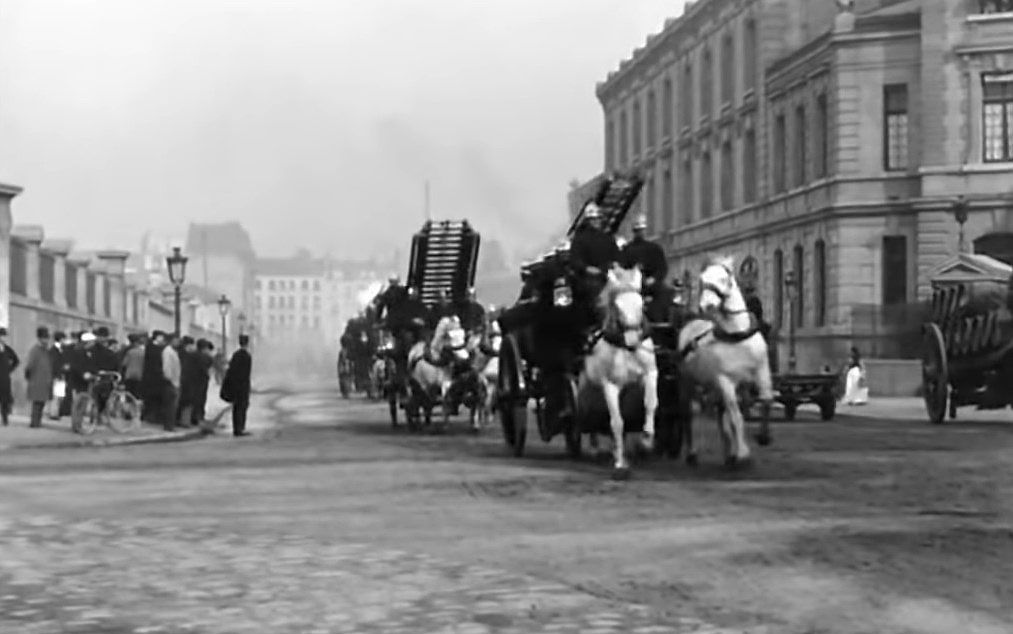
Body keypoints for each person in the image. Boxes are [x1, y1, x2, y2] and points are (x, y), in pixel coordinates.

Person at [568, 202, 620, 340]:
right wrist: (587, 269)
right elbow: (575, 260)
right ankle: (596, 328)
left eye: (598, 219)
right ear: (588, 220)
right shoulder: (579, 239)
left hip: (609, 275)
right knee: (594, 295)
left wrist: (614, 266)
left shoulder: (607, 238)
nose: (596, 221)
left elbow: (616, 256)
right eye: (593, 219)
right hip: (589, 279)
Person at [620, 214, 668, 296]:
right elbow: (622, 268)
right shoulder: (626, 249)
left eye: (641, 230)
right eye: (637, 231)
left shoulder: (655, 248)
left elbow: (662, 268)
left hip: (651, 286)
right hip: (632, 286)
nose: (640, 233)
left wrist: (653, 279)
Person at [67, 332, 99, 433]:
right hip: (77, 381)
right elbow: (76, 366)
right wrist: (84, 374)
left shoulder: (88, 352)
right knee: (78, 404)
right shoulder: (77, 352)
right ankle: (76, 425)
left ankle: (78, 424)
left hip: (85, 381)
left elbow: (91, 365)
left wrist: (94, 373)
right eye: (92, 342)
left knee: (82, 404)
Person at [221, 334, 252, 437]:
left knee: (236, 407)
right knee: (242, 407)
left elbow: (231, 370)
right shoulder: (247, 356)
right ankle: (240, 428)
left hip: (235, 385)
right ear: (247, 343)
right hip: (243, 386)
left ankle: (236, 428)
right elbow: (246, 373)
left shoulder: (235, 355)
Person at [25, 327, 54, 429]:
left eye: (47, 338)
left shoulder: (46, 350)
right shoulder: (35, 350)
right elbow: (30, 365)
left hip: (44, 381)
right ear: (40, 339)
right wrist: (29, 376)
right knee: (37, 403)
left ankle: (37, 422)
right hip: (37, 380)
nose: (46, 340)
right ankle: (34, 423)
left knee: (41, 403)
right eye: (44, 338)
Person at [141, 331, 167, 423]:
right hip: (151, 376)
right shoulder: (151, 347)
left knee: (157, 398)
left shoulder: (162, 348)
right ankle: (149, 416)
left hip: (158, 377)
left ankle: (154, 416)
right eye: (161, 337)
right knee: (150, 398)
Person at [48, 331, 72, 420]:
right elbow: (54, 364)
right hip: (57, 375)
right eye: (63, 339)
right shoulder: (53, 350)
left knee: (59, 395)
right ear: (60, 339)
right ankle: (53, 413)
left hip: (62, 375)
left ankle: (57, 412)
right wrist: (61, 370)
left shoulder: (62, 349)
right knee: (56, 395)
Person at [177, 336, 199, 427]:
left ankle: (183, 420)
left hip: (183, 381)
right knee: (187, 401)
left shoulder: (181, 353)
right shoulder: (186, 355)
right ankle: (185, 421)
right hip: (185, 381)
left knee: (184, 401)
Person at [191, 339, 215, 426]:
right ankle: (198, 417)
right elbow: (207, 367)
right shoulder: (203, 357)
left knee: (197, 400)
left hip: (195, 381)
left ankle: (196, 417)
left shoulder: (194, 355)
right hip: (200, 381)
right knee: (200, 399)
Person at [0, 327, 20, 426]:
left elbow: (16, 360)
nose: (3, 338)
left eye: (4, 336)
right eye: (2, 336)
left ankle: (5, 419)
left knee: (4, 400)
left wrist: (9, 370)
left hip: (4, 378)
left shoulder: (7, 349)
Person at [161, 334, 182, 431]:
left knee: (172, 405)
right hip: (171, 381)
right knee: (171, 405)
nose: (178, 343)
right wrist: (169, 378)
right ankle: (169, 426)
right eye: (176, 340)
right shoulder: (168, 352)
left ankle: (170, 425)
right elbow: (167, 366)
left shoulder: (173, 352)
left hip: (175, 380)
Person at [121, 334, 145, 399]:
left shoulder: (129, 351)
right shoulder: (144, 353)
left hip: (129, 375)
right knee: (136, 395)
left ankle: (126, 407)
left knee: (128, 395)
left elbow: (124, 364)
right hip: (139, 376)